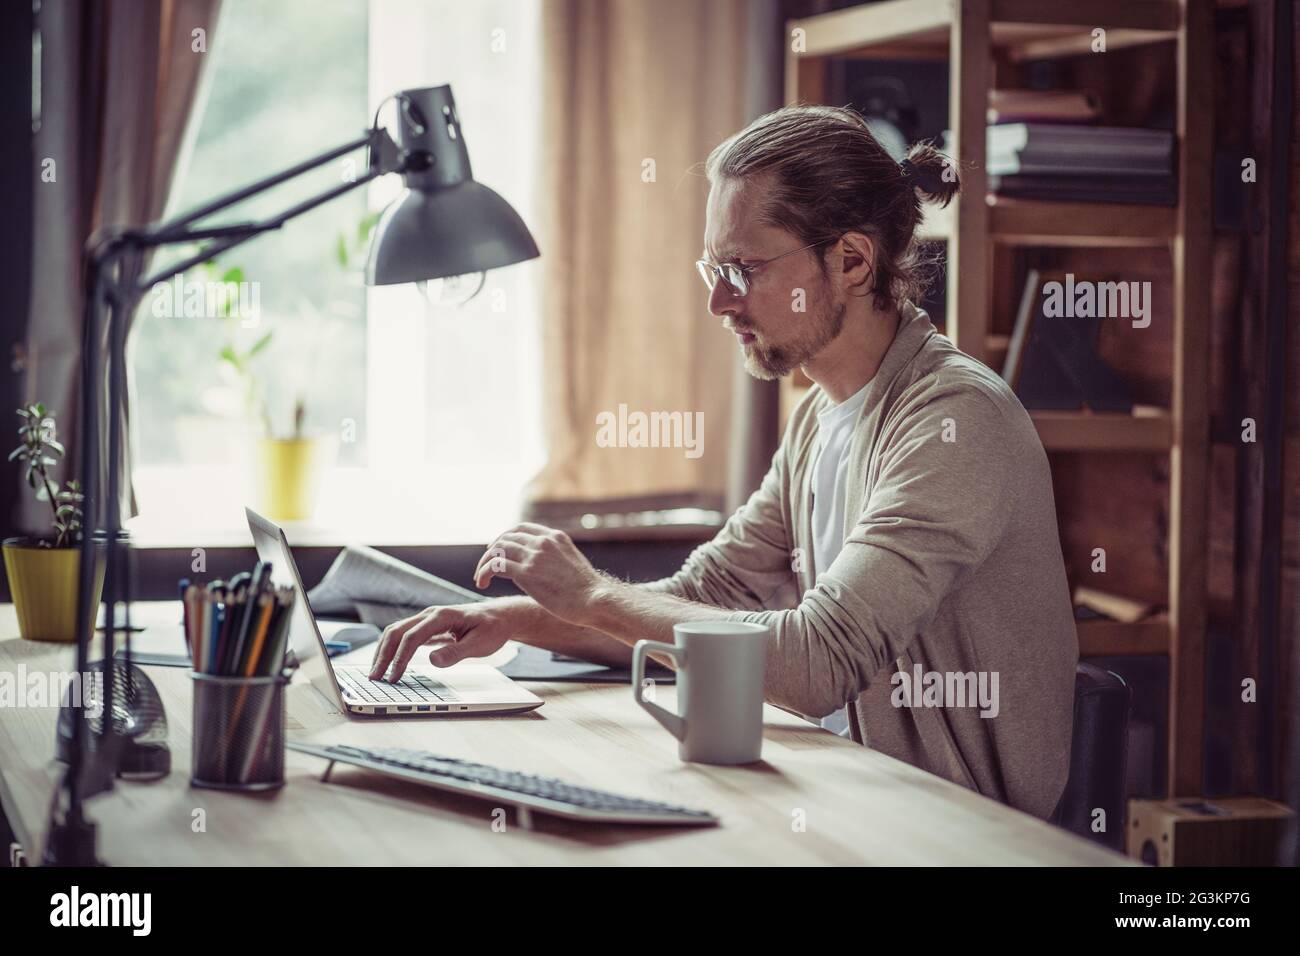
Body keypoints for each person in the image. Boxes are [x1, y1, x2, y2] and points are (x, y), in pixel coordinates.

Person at [369, 105, 1078, 820]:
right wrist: (515, 618)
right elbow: (703, 602)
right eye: (715, 266)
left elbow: (816, 663)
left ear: (853, 262)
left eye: (743, 268)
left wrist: (589, 595)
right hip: (840, 801)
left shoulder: (954, 422)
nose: (717, 300)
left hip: (950, 835)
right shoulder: (816, 422)